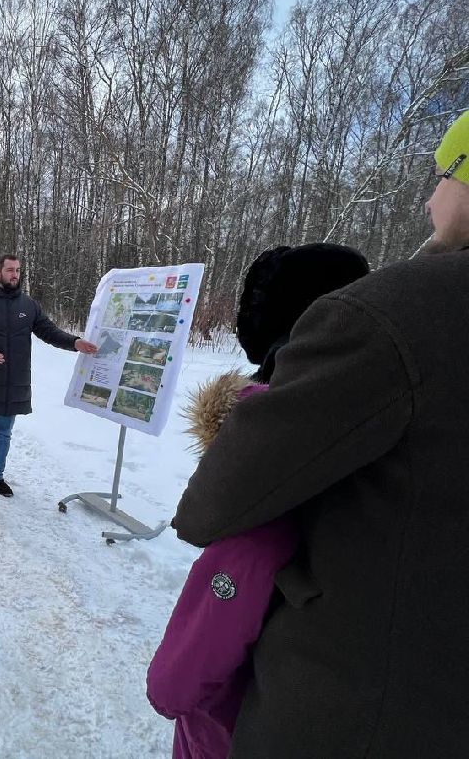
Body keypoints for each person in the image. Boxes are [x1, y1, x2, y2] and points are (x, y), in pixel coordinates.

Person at [172, 111, 469, 757]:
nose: (429, 199)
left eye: (442, 175)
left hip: (356, 706)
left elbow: (214, 508)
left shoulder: (400, 312)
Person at [147, 243, 369, 759]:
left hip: (238, 719)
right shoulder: (374, 421)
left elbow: (234, 579)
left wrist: (169, 687)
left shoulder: (272, 459)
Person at [0, 254, 97, 497]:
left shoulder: (28, 305)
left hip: (13, 382)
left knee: (3, 433)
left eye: (18, 270)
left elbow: (49, 331)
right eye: (10, 270)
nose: (15, 275)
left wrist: (75, 342)